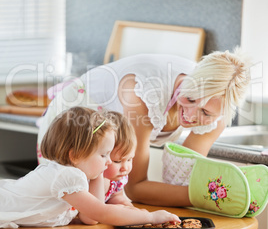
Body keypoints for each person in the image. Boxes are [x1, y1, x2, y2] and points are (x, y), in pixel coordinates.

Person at [37, 48, 251, 208]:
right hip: (71, 126)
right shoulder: (142, 92)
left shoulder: (218, 113)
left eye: (206, 113)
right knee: (74, 206)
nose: (192, 115)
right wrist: (211, 197)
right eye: (190, 98)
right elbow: (135, 187)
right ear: (191, 78)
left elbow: (186, 178)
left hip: (106, 147)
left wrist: (217, 190)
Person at [0, 107, 180, 228]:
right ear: (75, 155)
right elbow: (101, 213)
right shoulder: (67, 176)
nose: (109, 161)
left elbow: (90, 218)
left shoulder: (74, 176)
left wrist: (97, 174)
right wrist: (151, 217)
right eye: (103, 155)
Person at [104, 111, 137, 206]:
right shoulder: (91, 179)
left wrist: (125, 204)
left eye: (129, 159)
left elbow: (115, 196)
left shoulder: (117, 178)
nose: (125, 168)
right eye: (117, 161)